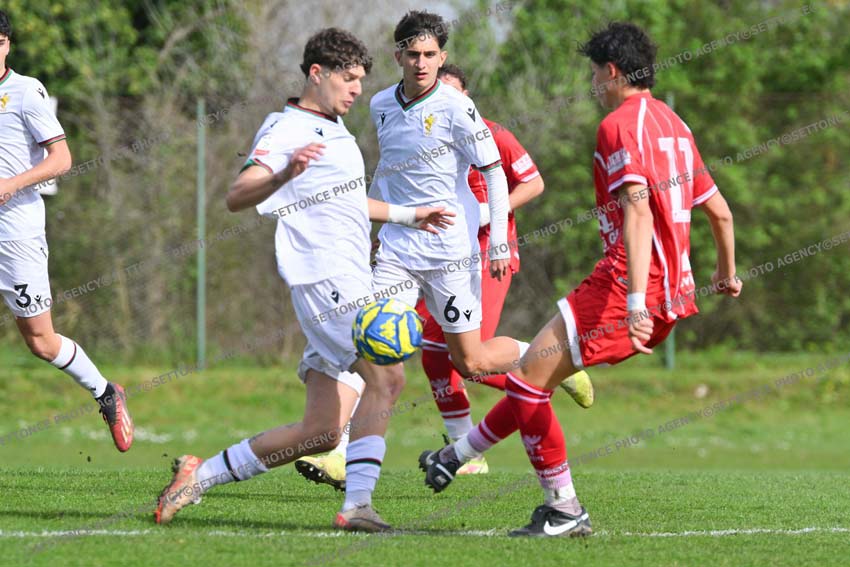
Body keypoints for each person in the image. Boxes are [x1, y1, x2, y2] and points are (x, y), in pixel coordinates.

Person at [419, 21, 742, 537]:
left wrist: (634, 301)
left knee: (528, 384)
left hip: (627, 284)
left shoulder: (619, 125)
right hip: (670, 290)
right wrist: (726, 272)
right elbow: (720, 211)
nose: (593, 84)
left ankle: (564, 509)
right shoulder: (676, 124)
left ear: (611, 72)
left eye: (594, 74)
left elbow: (637, 209)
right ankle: (456, 456)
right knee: (533, 379)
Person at [154, 27, 453, 532]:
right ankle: (357, 507)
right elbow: (237, 193)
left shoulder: (334, 130)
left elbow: (346, 201)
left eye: (361, 79)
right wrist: (281, 176)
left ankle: (197, 477)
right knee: (388, 377)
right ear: (317, 73)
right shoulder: (287, 129)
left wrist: (409, 215)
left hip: (349, 279)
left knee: (321, 433)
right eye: (348, 78)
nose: (357, 89)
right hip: (325, 281)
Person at [0, 9, 134, 452]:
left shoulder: (25, 92)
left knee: (40, 341)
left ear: (7, 45)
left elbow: (62, 159)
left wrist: (12, 184)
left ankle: (106, 392)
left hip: (15, 234)